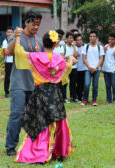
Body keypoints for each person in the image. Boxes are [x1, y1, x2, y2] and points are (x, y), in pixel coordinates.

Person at [13, 30, 75, 164]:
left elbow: (19, 53)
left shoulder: (36, 57)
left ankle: (39, 152)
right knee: (58, 120)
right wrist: (70, 59)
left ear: (42, 43)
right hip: (54, 94)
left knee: (40, 121)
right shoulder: (59, 59)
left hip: (40, 93)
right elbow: (68, 68)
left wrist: (17, 37)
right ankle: (59, 150)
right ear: (55, 45)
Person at [5, 10, 44, 156]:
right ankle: (10, 146)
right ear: (26, 22)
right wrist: (16, 37)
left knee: (34, 116)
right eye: (33, 24)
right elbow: (8, 52)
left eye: (38, 24)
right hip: (19, 83)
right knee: (17, 115)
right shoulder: (18, 36)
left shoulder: (39, 41)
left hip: (35, 84)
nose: (36, 27)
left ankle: (34, 145)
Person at [81, 30, 104, 106]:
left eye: (94, 36)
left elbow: (101, 58)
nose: (92, 38)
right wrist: (89, 67)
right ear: (89, 37)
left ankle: (94, 100)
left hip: (96, 69)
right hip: (88, 69)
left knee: (95, 85)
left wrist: (96, 67)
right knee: (87, 84)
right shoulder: (86, 46)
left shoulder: (100, 47)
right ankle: (85, 99)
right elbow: (84, 58)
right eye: (91, 36)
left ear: (96, 37)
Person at [63, 32, 78, 103]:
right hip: (66, 67)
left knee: (73, 83)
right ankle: (64, 97)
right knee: (65, 83)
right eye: (70, 38)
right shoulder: (63, 46)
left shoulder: (73, 47)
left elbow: (76, 55)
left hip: (73, 67)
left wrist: (74, 46)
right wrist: (69, 56)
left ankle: (73, 97)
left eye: (73, 38)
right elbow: (62, 57)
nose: (72, 39)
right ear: (66, 38)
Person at [2, 26, 14, 98]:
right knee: (7, 77)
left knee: (15, 77)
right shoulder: (5, 41)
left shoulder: (15, 40)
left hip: (15, 61)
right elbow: (5, 52)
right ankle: (6, 91)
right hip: (8, 61)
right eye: (8, 32)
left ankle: (13, 91)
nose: (10, 33)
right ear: (6, 33)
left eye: (11, 32)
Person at [75, 33, 86, 102]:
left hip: (84, 68)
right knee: (77, 84)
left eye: (80, 40)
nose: (80, 41)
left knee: (83, 83)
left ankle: (82, 96)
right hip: (76, 68)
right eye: (78, 40)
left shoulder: (85, 47)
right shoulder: (74, 48)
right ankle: (78, 97)